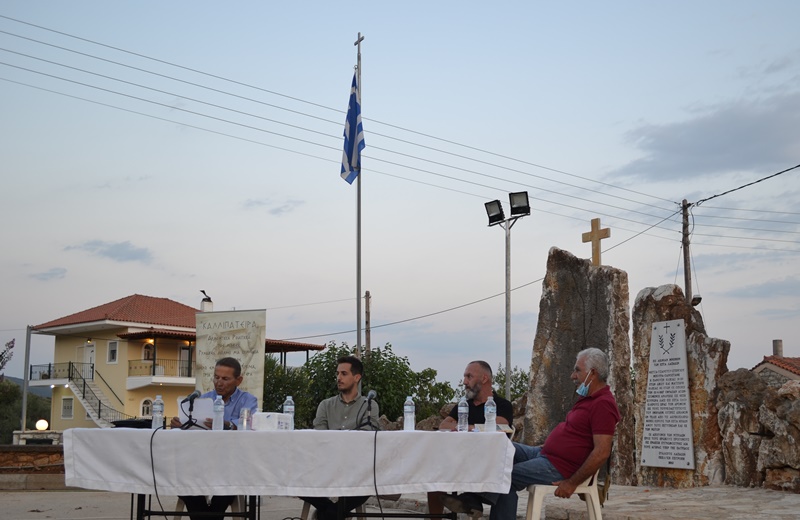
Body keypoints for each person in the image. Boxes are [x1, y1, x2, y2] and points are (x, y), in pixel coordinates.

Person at [441, 347, 620, 520]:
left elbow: (602, 451)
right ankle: (473, 500)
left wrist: (572, 483)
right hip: (544, 453)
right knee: (496, 447)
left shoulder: (603, 404)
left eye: (577, 371)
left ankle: (473, 501)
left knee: (505, 478)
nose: (573, 376)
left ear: (593, 373)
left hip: (559, 466)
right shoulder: (587, 399)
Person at [170, 357, 259, 520]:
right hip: (200, 462)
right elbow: (191, 429)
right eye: (216, 377)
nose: (219, 383)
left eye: (225, 379)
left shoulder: (248, 400)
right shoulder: (202, 400)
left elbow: (250, 425)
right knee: (185, 485)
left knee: (226, 490)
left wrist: (228, 425)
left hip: (231, 464)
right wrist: (179, 424)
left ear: (238, 380)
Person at [428, 361, 513, 515]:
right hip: (458, 458)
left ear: (484, 379)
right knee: (434, 475)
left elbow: (501, 425)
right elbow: (443, 425)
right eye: (464, 377)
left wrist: (466, 427)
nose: (464, 382)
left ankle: (470, 501)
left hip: (487, 462)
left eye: (469, 376)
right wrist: (475, 428)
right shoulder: (464, 405)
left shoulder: (502, 404)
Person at [302, 355, 380, 520]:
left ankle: (326, 514)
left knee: (367, 485)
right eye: (337, 373)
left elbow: (369, 435)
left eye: (344, 374)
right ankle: (332, 512)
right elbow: (320, 435)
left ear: (357, 377)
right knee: (298, 480)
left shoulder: (369, 405)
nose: (338, 378)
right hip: (325, 465)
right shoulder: (326, 405)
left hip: (356, 468)